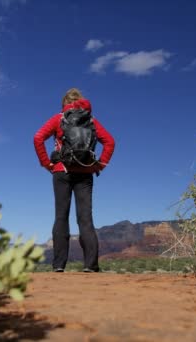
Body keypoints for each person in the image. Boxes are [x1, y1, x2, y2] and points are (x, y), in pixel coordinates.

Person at [33, 88, 115, 272]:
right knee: (85, 218)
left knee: (61, 217)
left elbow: (38, 138)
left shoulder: (59, 118)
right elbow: (110, 141)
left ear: (64, 103)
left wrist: (46, 164)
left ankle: (58, 265)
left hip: (61, 171)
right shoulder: (91, 120)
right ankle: (91, 265)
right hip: (85, 173)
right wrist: (99, 165)